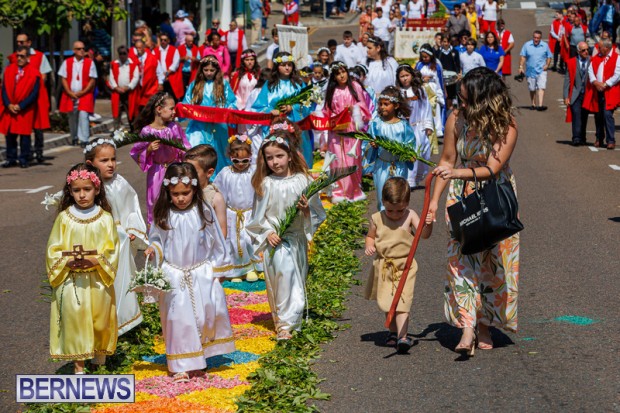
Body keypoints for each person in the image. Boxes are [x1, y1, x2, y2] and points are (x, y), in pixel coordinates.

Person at [429, 66, 519, 355]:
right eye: (459, 98)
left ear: (484, 98)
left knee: (492, 263)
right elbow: (446, 158)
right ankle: (467, 327)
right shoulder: (456, 118)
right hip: (460, 195)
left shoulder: (507, 126)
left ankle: (484, 325)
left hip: (494, 196)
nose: (460, 103)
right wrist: (432, 202)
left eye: (466, 99)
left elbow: (493, 168)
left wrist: (456, 173)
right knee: (461, 261)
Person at [145, 162, 235, 383]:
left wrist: (218, 271)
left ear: (195, 189)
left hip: (200, 273)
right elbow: (157, 240)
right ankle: (180, 366)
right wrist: (152, 249)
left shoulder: (203, 211)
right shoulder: (164, 214)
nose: (181, 198)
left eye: (185, 193)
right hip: (174, 275)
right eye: (175, 194)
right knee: (177, 320)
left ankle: (198, 360)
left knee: (202, 317)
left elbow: (217, 243)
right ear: (168, 192)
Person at [245, 130, 326, 340]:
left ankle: (292, 320)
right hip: (276, 241)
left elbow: (318, 213)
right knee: (284, 276)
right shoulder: (265, 184)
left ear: (290, 155)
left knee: (296, 278)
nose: (274, 162)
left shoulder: (304, 180)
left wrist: (307, 211)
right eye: (269, 157)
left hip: (297, 238)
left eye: (279, 156)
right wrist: (268, 232)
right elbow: (255, 219)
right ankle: (285, 325)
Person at [46, 163, 119, 373]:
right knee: (75, 322)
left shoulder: (105, 218)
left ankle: (99, 364)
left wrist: (98, 260)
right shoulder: (64, 218)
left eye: (87, 189)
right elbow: (53, 249)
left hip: (97, 279)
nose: (82, 195)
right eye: (76, 190)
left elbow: (112, 248)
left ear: (97, 189)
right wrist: (66, 261)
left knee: (99, 323)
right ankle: (79, 368)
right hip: (71, 280)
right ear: (70, 191)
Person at [84, 139, 147, 336]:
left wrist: (132, 232)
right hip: (95, 244)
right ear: (90, 164)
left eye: (113, 159)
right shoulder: (85, 188)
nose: (111, 164)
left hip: (119, 244)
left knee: (120, 284)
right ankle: (99, 331)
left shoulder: (120, 184)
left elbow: (132, 212)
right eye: (104, 160)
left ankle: (122, 328)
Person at [364, 177, 433, 353]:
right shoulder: (377, 218)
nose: (395, 214)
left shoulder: (410, 216)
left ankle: (403, 336)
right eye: (390, 210)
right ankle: (393, 332)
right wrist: (370, 245)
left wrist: (428, 223)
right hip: (385, 266)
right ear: (383, 203)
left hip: (405, 266)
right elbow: (370, 236)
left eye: (399, 210)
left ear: (407, 203)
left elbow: (423, 235)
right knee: (388, 302)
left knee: (403, 302)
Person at [130, 92, 190, 225]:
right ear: (159, 109)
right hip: (156, 171)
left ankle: (176, 229)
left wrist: (183, 154)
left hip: (174, 169)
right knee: (155, 201)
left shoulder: (174, 127)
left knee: (176, 198)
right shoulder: (147, 131)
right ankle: (156, 236)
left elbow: (185, 146)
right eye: (171, 108)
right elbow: (135, 152)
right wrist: (149, 149)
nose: (174, 112)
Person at [252, 51, 314, 167]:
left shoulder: (299, 84)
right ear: (277, 66)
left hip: (295, 125)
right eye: (283, 65)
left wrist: (293, 107)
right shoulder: (269, 84)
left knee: (296, 155)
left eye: (289, 65)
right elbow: (259, 106)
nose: (287, 68)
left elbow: (307, 105)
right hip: (275, 125)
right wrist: (270, 110)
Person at [214, 136, 262, 282]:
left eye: (244, 161)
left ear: (250, 157)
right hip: (232, 214)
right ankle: (237, 270)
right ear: (230, 157)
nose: (240, 164)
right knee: (234, 242)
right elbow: (218, 191)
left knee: (250, 240)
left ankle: (254, 267)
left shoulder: (254, 171)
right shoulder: (225, 173)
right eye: (236, 161)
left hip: (250, 212)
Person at [322, 61, 371, 202]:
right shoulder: (332, 91)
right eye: (338, 73)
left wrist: (354, 109)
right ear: (334, 77)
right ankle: (339, 192)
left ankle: (353, 191)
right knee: (338, 161)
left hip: (351, 129)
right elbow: (327, 111)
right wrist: (333, 119)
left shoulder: (355, 86)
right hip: (337, 132)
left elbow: (364, 106)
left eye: (343, 71)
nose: (342, 75)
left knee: (351, 159)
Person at [183, 55, 237, 173]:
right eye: (206, 70)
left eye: (212, 70)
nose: (208, 73)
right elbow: (186, 103)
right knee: (196, 149)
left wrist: (225, 110)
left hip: (217, 125)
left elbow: (231, 102)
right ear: (201, 70)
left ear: (217, 70)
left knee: (219, 153)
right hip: (199, 125)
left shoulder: (223, 84)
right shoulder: (195, 84)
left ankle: (219, 179)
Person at [366, 86, 416, 210]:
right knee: (383, 197)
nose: (382, 107)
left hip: (399, 166)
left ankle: (399, 223)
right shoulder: (376, 124)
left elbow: (410, 143)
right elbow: (366, 143)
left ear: (396, 106)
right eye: (380, 104)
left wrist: (409, 153)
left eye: (386, 104)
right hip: (382, 166)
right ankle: (384, 225)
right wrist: (372, 146)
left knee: (398, 196)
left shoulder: (403, 125)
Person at [0, 46, 48, 169]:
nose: (19, 58)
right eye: (18, 56)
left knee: (24, 136)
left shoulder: (34, 72)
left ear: (28, 58)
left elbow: (34, 93)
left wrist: (21, 106)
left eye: (22, 56)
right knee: (10, 135)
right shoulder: (9, 70)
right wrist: (8, 104)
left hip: (25, 109)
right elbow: (4, 89)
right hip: (10, 107)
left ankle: (24, 158)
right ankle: (11, 158)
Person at [9, 33, 52, 164]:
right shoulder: (13, 57)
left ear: (29, 42)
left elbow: (43, 76)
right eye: (17, 42)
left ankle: (39, 151)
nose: (19, 44)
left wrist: (31, 88)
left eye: (22, 42)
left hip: (37, 96)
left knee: (38, 126)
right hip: (20, 98)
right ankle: (23, 154)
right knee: (20, 126)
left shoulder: (39, 56)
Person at [396, 64, 433, 186]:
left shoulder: (419, 91)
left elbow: (425, 108)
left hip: (417, 127)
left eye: (407, 75)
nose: (405, 78)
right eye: (402, 76)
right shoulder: (397, 92)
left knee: (419, 153)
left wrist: (427, 126)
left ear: (412, 76)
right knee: (403, 153)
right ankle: (406, 180)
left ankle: (414, 178)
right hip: (402, 128)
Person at [58, 41, 97, 147]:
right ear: (74, 50)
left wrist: (83, 92)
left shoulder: (90, 62)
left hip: (84, 94)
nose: (82, 50)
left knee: (83, 116)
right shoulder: (67, 62)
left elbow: (92, 80)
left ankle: (84, 139)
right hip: (70, 94)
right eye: (79, 49)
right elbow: (63, 78)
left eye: (83, 48)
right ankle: (74, 137)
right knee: (72, 117)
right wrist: (69, 92)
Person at [184, 144, 228, 237]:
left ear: (209, 172)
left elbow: (222, 230)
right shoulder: (182, 192)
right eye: (185, 170)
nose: (188, 175)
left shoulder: (215, 198)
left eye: (193, 171)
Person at [584, 39, 619, 150]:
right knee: (598, 114)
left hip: (610, 91)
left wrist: (605, 84)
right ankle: (599, 137)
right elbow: (590, 70)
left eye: (600, 47)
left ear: (607, 48)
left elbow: (617, 75)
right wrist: (595, 82)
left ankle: (610, 140)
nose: (598, 49)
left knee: (607, 114)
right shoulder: (597, 57)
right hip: (597, 90)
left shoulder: (617, 58)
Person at [563, 42, 591, 147]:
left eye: (587, 49)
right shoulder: (571, 62)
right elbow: (567, 80)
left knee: (584, 116)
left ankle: (582, 137)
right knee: (576, 115)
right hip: (576, 94)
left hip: (588, 94)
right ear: (578, 51)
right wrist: (566, 96)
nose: (586, 52)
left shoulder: (591, 61)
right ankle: (576, 138)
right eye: (583, 50)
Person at [519, 30, 552, 111]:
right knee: (532, 88)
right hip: (530, 70)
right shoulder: (527, 45)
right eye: (535, 37)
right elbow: (523, 56)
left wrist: (547, 65)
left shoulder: (545, 46)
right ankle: (533, 104)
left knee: (541, 87)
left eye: (538, 38)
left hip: (541, 70)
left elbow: (549, 56)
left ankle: (540, 105)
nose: (536, 39)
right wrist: (521, 66)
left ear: (540, 38)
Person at [108, 46, 140, 131]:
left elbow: (136, 77)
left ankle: (134, 130)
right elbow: (111, 78)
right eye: (120, 53)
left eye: (124, 53)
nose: (122, 55)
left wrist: (128, 87)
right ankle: (116, 131)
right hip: (117, 92)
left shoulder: (133, 64)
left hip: (129, 92)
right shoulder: (114, 64)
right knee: (116, 113)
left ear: (127, 54)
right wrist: (116, 87)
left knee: (131, 112)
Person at [135, 40, 164, 108]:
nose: (138, 49)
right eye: (137, 48)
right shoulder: (134, 59)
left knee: (151, 107)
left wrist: (160, 83)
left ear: (144, 47)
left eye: (140, 47)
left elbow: (159, 72)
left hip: (151, 87)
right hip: (139, 89)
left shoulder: (153, 58)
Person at [154, 33, 184, 101]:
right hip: (159, 78)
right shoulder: (155, 51)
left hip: (171, 77)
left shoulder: (174, 50)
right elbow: (154, 63)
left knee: (172, 97)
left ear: (168, 41)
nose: (163, 41)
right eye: (161, 40)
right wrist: (161, 75)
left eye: (165, 40)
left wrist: (167, 73)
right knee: (160, 98)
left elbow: (175, 64)